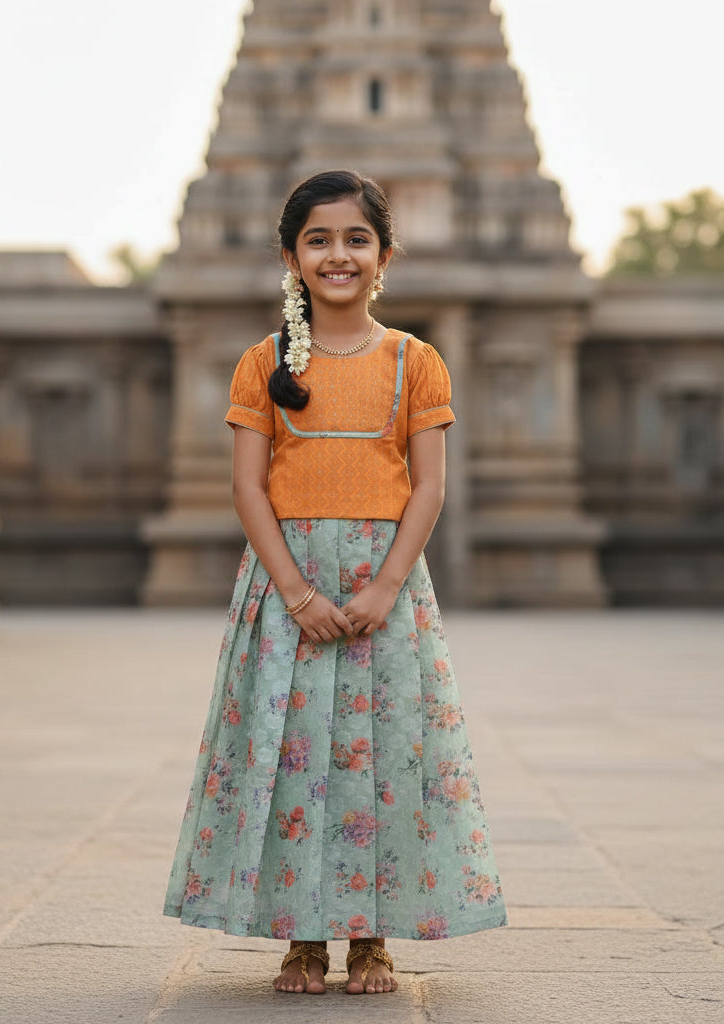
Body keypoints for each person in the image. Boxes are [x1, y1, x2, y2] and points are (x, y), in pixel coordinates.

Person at [163, 169, 507, 995]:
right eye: (318, 240)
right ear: (291, 257)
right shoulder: (263, 364)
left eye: (357, 239)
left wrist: (385, 587)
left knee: (383, 759)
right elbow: (249, 488)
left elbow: (429, 487)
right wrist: (296, 593)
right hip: (288, 590)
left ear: (385, 255)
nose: (338, 255)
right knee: (290, 757)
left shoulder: (413, 361)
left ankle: (372, 942)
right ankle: (302, 940)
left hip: (385, 591)